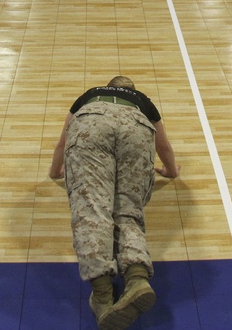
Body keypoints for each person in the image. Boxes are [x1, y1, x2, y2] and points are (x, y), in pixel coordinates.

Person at [48, 76, 179, 330]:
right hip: (136, 130)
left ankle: (102, 295)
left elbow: (62, 142)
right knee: (128, 209)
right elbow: (162, 145)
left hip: (92, 125)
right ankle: (137, 277)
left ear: (108, 86)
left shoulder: (90, 95)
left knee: (93, 208)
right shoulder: (142, 101)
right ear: (132, 90)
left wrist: (55, 172)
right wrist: (171, 171)